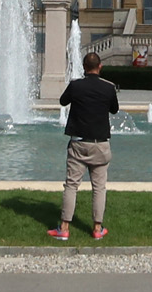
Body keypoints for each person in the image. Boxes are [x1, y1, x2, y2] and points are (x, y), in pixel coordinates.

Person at [51, 50, 120, 241]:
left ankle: (64, 227)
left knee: (71, 185)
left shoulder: (76, 86)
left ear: (84, 67)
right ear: (100, 67)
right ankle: (97, 228)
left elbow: (63, 101)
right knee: (99, 187)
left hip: (79, 143)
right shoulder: (108, 87)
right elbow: (114, 110)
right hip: (100, 144)